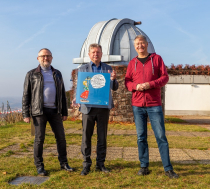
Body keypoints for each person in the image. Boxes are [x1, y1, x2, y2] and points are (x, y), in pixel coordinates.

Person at [125, 35, 179, 179]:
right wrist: (135, 86)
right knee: (141, 137)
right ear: (134, 46)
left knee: (161, 136)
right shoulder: (132, 63)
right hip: (137, 105)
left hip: (154, 104)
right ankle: (144, 166)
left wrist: (150, 84)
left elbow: (165, 77)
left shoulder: (157, 59)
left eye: (142, 43)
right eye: (137, 44)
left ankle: (168, 168)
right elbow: (127, 81)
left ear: (147, 44)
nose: (140, 46)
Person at [22, 48, 74, 176]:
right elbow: (26, 95)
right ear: (38, 58)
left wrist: (64, 112)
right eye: (43, 56)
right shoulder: (31, 74)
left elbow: (62, 93)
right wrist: (25, 114)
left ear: (51, 58)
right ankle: (39, 166)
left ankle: (64, 163)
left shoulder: (57, 73)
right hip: (39, 111)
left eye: (48, 56)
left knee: (61, 138)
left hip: (55, 111)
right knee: (39, 139)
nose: (46, 58)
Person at [72, 43, 118, 176]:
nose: (95, 54)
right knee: (86, 137)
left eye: (98, 52)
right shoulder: (82, 69)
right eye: (93, 52)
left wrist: (114, 80)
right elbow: (79, 87)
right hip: (88, 108)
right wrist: (76, 98)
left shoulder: (108, 68)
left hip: (103, 107)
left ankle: (100, 164)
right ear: (89, 54)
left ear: (101, 54)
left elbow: (114, 87)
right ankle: (86, 165)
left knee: (102, 137)